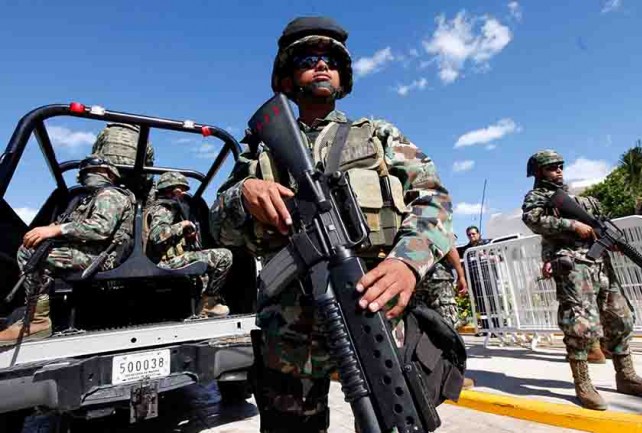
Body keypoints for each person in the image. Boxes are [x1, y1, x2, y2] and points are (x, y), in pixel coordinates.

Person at [210, 16, 455, 432]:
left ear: (344, 79)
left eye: (331, 60)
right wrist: (244, 192)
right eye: (308, 59)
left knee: (390, 420)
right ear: (287, 79)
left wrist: (406, 263)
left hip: (370, 316)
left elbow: (433, 199)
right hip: (288, 337)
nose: (321, 66)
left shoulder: (377, 135)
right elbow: (217, 225)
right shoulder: (260, 150)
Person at [522, 149, 642, 410]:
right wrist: (572, 226)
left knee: (620, 316)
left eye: (560, 166)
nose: (558, 170)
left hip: (601, 265)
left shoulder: (583, 201)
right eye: (551, 167)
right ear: (538, 171)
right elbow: (532, 219)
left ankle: (626, 376)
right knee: (580, 324)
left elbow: (599, 225)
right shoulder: (537, 197)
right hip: (573, 267)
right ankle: (583, 384)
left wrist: (610, 241)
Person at [0, 155, 135, 345]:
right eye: (85, 172)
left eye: (94, 171)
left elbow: (100, 229)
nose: (89, 175)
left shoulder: (110, 195)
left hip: (102, 257)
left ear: (110, 174)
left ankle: (38, 321)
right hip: (90, 252)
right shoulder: (90, 198)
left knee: (32, 255)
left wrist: (56, 229)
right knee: (33, 249)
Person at [146, 171, 232, 317]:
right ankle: (208, 304)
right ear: (176, 191)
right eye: (183, 190)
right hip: (165, 262)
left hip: (170, 259)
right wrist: (183, 225)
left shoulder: (164, 207)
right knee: (224, 256)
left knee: (205, 258)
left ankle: (205, 303)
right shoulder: (164, 208)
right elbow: (157, 236)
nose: (185, 194)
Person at [414, 245, 475, 388]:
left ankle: (427, 375)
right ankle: (452, 380)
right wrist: (460, 275)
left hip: (413, 275)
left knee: (421, 327)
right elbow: (448, 245)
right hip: (436, 276)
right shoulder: (432, 222)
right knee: (447, 327)